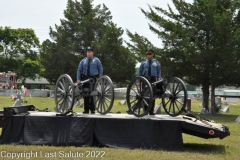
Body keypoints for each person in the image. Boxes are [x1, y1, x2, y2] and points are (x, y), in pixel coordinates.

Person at [76, 46, 103, 114]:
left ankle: (92, 109)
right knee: (86, 94)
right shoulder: (83, 61)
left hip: (93, 78)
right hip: (85, 78)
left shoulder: (96, 60)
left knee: (93, 94)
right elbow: (79, 70)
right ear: (86, 53)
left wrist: (100, 77)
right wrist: (78, 79)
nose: (89, 53)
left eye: (90, 52)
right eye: (88, 52)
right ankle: (86, 109)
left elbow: (100, 69)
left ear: (93, 53)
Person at [137, 48, 161, 115]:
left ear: (152, 54)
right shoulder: (143, 63)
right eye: (147, 54)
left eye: (149, 54)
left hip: (153, 80)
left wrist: (158, 80)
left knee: (152, 96)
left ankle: (151, 111)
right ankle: (145, 110)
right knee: (145, 95)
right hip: (145, 79)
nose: (148, 55)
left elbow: (159, 72)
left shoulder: (156, 63)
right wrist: (138, 81)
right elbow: (139, 72)